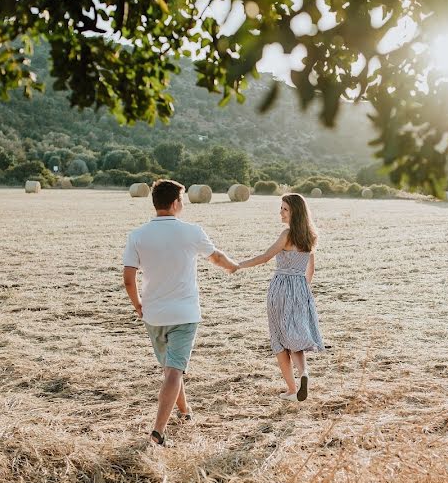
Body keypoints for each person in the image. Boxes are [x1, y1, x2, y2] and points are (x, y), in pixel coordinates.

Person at [123, 179, 237, 446]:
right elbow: (216, 257)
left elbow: (128, 278)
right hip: (185, 314)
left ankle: (185, 411)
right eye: (182, 201)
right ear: (175, 203)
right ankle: (158, 431)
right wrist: (234, 267)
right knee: (174, 371)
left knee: (171, 367)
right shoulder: (191, 231)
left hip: (153, 314)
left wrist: (137, 304)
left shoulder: (138, 235)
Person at [236, 194, 324, 402]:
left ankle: (293, 390)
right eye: (281, 208)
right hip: (301, 289)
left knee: (279, 338)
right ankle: (304, 373)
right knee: (296, 335)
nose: (281, 212)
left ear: (295, 212)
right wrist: (303, 292)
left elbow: (265, 257)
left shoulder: (287, 234)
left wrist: (239, 265)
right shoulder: (310, 236)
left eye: (285, 209)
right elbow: (310, 269)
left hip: (282, 288)